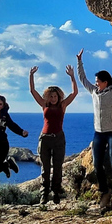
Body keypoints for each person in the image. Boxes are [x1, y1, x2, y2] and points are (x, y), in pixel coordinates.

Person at [77, 45, 112, 211]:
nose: (95, 83)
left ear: (105, 82)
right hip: (98, 134)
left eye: (98, 81)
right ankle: (104, 192)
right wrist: (79, 63)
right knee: (98, 165)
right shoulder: (94, 92)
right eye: (95, 81)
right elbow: (83, 79)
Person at [29, 65, 78, 204]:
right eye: (51, 96)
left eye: (55, 95)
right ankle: (44, 194)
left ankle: (56, 192)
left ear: (59, 96)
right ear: (47, 97)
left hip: (59, 138)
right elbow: (32, 91)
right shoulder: (44, 105)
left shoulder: (63, 105)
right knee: (45, 168)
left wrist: (72, 77)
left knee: (57, 167)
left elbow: (74, 93)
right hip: (45, 138)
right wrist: (31, 75)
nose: (53, 98)